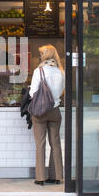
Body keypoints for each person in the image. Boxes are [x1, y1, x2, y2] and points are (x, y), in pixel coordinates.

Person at [29, 45, 65, 186]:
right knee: (55, 143)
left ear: (44, 55)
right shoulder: (61, 71)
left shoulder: (39, 71)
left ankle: (41, 177)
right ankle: (57, 176)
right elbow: (62, 90)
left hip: (40, 112)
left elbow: (33, 93)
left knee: (40, 144)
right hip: (55, 110)